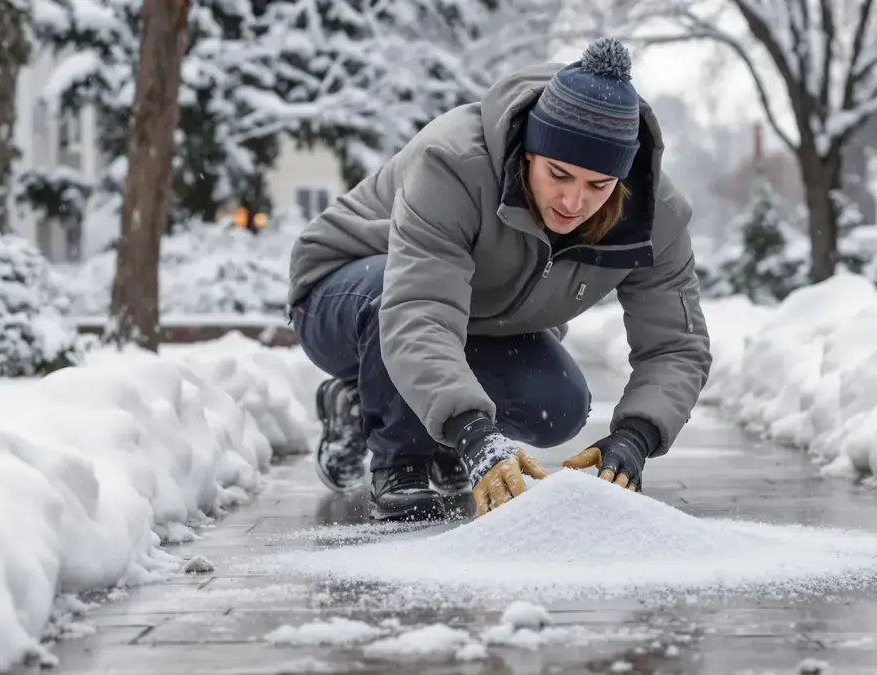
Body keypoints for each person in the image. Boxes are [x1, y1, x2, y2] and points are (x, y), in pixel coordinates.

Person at [287, 36, 713, 521]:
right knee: (394, 293)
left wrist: (638, 436)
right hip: (342, 294)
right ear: (529, 152)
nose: (574, 202)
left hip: (470, 316)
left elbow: (676, 345)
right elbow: (418, 308)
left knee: (558, 405)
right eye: (559, 174)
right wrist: (473, 434)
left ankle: (401, 412)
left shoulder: (656, 218)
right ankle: (400, 460)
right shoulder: (453, 162)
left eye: (599, 185)